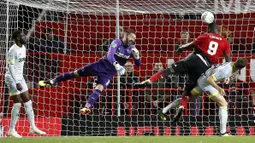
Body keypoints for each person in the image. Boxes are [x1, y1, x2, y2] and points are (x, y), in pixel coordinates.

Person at [135, 22, 231, 121]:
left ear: (209, 29)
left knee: (168, 70)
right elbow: (228, 61)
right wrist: (227, 75)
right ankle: (181, 107)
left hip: (193, 59)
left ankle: (149, 81)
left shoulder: (205, 35)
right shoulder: (225, 42)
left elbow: (192, 44)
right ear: (218, 30)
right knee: (188, 92)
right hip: (204, 68)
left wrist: (181, 48)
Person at [39, 29, 141, 115]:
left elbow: (138, 64)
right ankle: (53, 81)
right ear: (125, 36)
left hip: (108, 73)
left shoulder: (132, 49)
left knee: (100, 88)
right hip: (99, 65)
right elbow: (110, 56)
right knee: (75, 74)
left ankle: (87, 107)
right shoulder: (117, 42)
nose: (133, 40)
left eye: (134, 39)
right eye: (131, 37)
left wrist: (137, 56)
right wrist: (117, 65)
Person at [161, 58, 247, 136]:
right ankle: (223, 132)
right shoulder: (226, 71)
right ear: (241, 68)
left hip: (202, 79)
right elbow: (210, 79)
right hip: (206, 83)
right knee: (223, 104)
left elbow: (219, 71)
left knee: (189, 99)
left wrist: (226, 78)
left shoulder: (230, 63)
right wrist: (219, 88)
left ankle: (164, 109)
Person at [5, 31, 46, 138]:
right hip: (11, 78)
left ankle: (33, 127)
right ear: (17, 38)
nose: (25, 37)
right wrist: (17, 82)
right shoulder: (12, 50)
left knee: (28, 102)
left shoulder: (23, 48)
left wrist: (22, 78)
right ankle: (11, 130)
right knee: (18, 103)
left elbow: (20, 65)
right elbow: (11, 67)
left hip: (20, 77)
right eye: (22, 36)